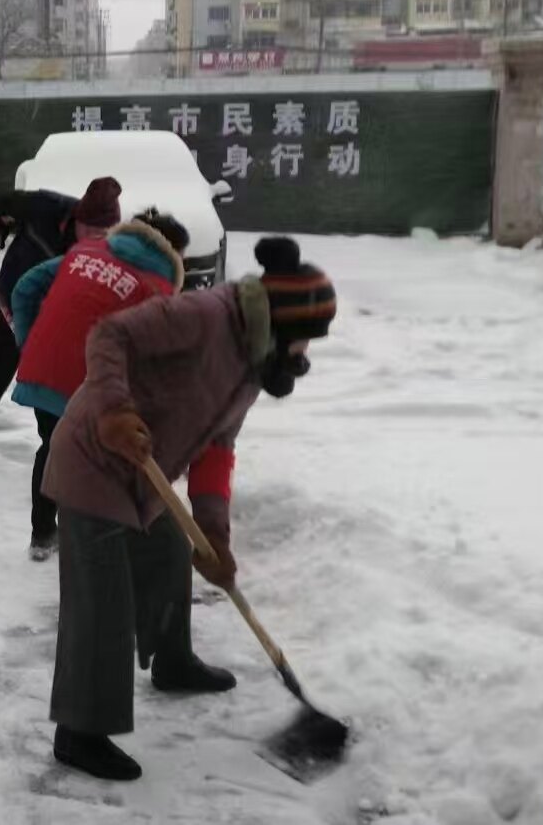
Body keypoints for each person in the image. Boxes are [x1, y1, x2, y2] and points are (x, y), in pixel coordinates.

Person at [44, 236, 337, 782]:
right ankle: (79, 732)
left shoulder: (250, 368)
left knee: (171, 556)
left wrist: (215, 536)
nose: (303, 358)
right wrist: (113, 410)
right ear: (279, 327)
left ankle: (173, 663)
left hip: (144, 469)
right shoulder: (205, 315)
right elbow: (110, 334)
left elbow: (217, 451)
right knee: (102, 603)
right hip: (95, 455)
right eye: (302, 344)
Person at [9, 208, 191, 561]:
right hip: (87, 386)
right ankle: (95, 549)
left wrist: (28, 342)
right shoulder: (158, 288)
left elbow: (24, 287)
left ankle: (43, 535)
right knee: (95, 466)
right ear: (171, 253)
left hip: (44, 369)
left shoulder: (84, 252)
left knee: (52, 448)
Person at [0, 177, 124, 477]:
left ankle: (65, 452)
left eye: (103, 234)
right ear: (78, 218)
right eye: (91, 231)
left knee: (64, 378)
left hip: (58, 313)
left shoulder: (108, 247)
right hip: (13, 297)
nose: (96, 239)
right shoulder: (42, 207)